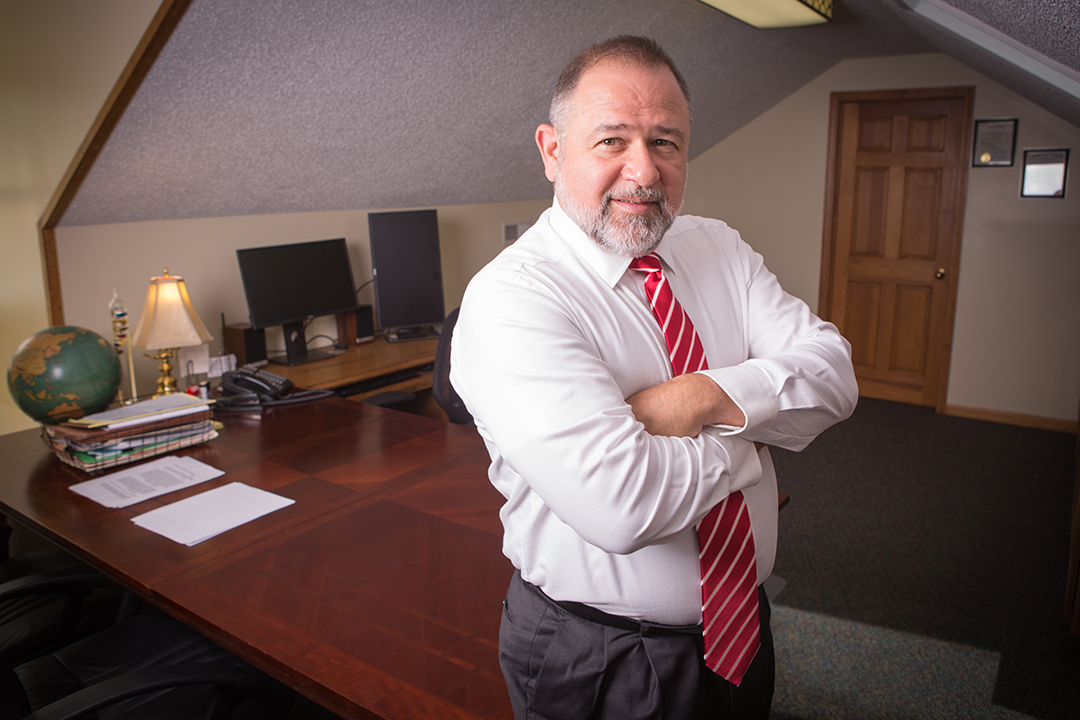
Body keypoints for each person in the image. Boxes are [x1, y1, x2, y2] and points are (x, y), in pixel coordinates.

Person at [449, 35, 858, 720]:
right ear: (552, 150)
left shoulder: (716, 246)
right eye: (612, 141)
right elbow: (624, 502)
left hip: (743, 626)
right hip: (603, 656)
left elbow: (833, 374)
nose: (644, 171)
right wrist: (757, 428)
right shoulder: (513, 300)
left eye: (665, 143)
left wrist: (699, 398)